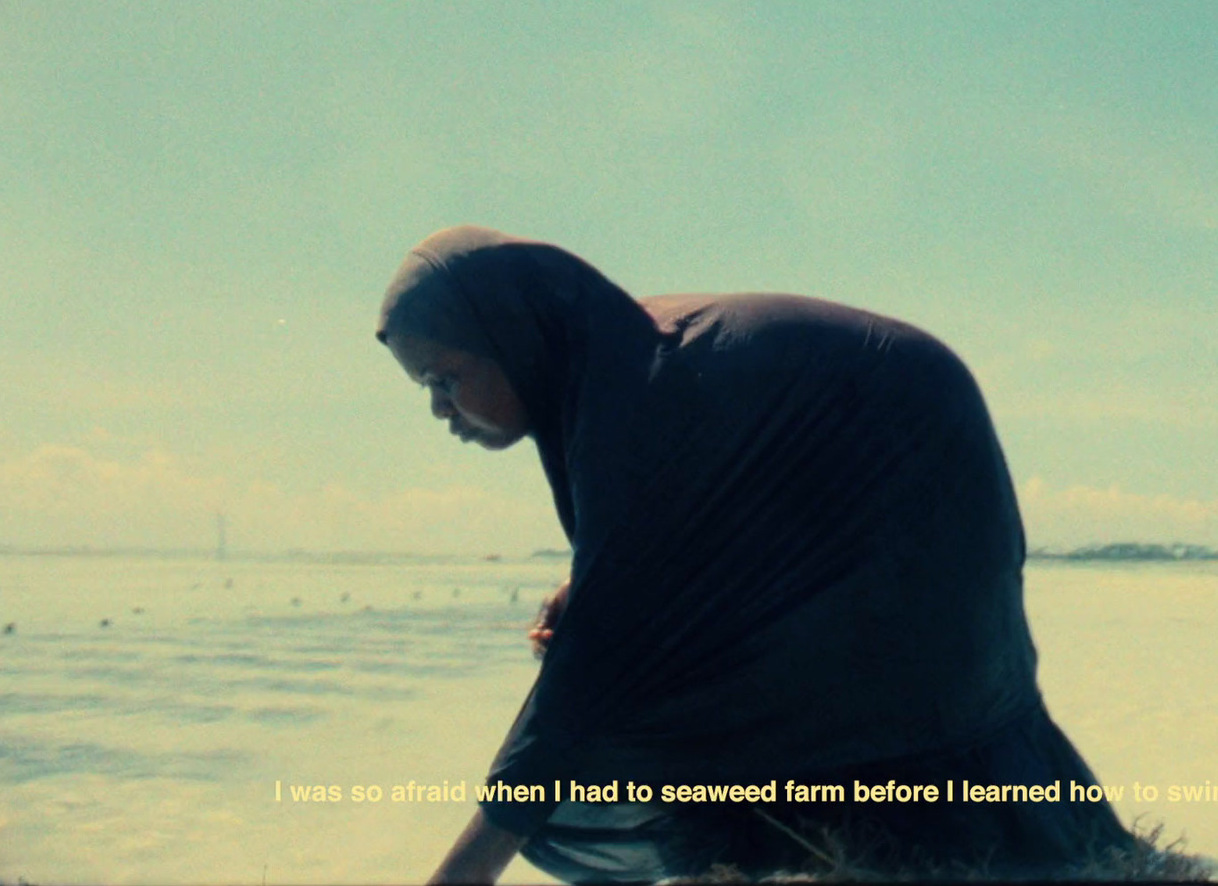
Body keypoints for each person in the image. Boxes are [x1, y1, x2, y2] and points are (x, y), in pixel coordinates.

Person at [377, 226, 1135, 884]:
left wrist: (463, 872)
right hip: (898, 458)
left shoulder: (633, 393)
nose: (440, 409)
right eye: (424, 389)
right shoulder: (612, 364)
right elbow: (706, 534)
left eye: (446, 378)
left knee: (586, 756)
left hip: (913, 477)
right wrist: (595, 582)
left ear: (511, 332)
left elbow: (596, 671)